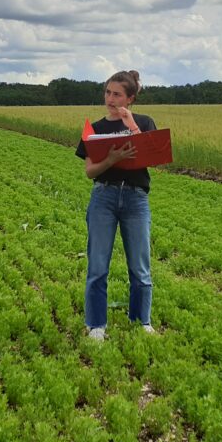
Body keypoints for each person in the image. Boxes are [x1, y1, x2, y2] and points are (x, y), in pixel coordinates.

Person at [75, 70, 157, 340]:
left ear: (130, 98)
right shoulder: (95, 129)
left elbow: (151, 158)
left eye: (117, 94)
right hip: (104, 197)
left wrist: (131, 124)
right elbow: (90, 171)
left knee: (140, 266)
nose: (110, 98)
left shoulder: (145, 123)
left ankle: (141, 321)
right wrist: (111, 159)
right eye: (108, 92)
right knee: (98, 265)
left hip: (136, 199)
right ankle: (96, 325)